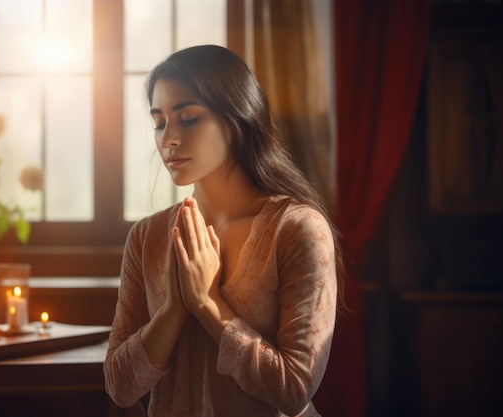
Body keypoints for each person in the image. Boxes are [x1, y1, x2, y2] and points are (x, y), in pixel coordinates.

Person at [104, 44, 344, 417]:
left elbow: (295, 389)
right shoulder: (146, 237)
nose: (167, 138)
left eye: (187, 118)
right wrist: (172, 310)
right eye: (159, 121)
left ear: (237, 119)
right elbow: (120, 387)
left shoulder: (297, 229)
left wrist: (208, 303)